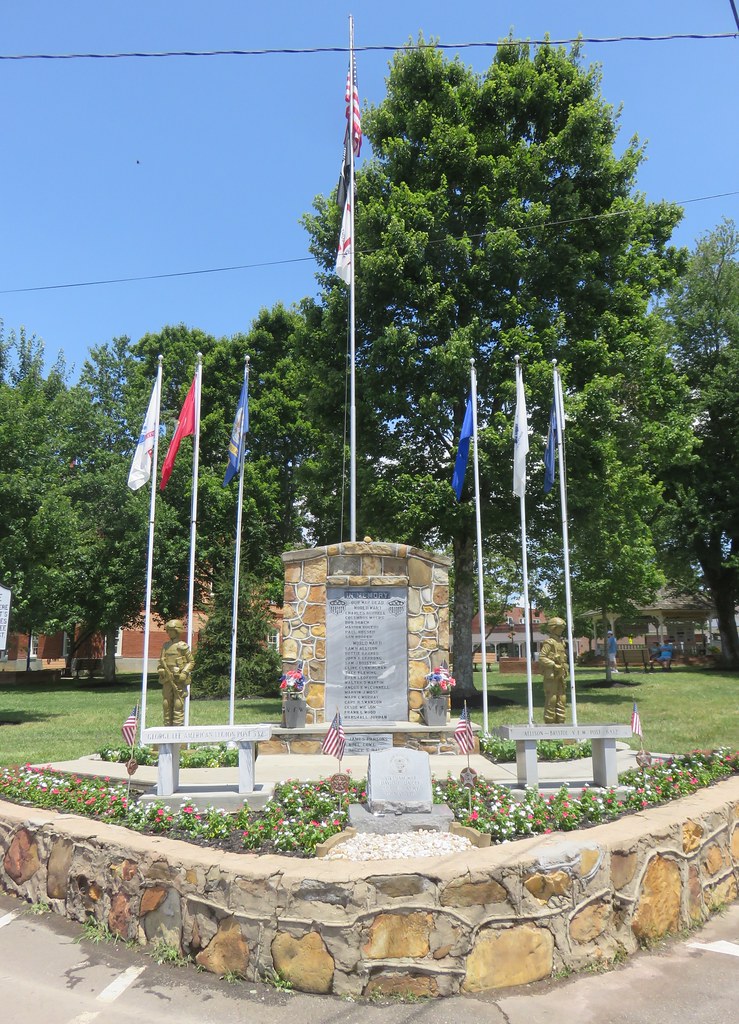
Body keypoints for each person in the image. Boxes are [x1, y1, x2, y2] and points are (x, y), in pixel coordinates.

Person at [158, 619, 194, 726]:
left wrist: (184, 673)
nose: (169, 632)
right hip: (167, 678)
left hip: (178, 678)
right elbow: (161, 661)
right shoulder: (166, 646)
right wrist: (162, 670)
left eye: (171, 630)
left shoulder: (182, 646)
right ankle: (167, 725)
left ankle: (178, 727)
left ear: (177, 631)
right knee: (166, 702)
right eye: (168, 630)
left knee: (178, 703)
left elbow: (191, 661)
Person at [539, 616, 567, 724]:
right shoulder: (549, 642)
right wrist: (553, 664)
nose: (561, 630)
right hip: (551, 673)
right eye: (560, 628)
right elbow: (542, 657)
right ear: (553, 628)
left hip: (561, 673)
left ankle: (561, 720)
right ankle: (549, 721)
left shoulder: (561, 642)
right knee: (552, 697)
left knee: (562, 697)